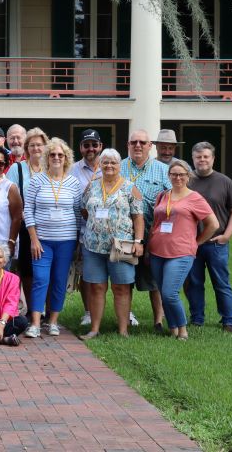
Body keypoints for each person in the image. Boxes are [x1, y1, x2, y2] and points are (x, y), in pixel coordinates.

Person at [148, 159, 218, 340]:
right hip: (157, 250)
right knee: (164, 293)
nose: (177, 177)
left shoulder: (195, 197)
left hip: (181, 252)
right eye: (173, 174)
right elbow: (156, 223)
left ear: (188, 176)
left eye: (181, 174)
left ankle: (183, 329)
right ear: (169, 176)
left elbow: (213, 224)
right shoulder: (163, 195)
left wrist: (198, 242)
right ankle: (172, 328)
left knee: (170, 293)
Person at [79, 149, 145, 338]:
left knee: (121, 287)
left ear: (119, 165)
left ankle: (123, 330)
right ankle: (94, 329)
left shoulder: (130, 187)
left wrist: (138, 241)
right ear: (100, 165)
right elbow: (84, 210)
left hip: (122, 244)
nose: (109, 166)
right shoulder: (92, 186)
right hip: (93, 246)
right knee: (96, 287)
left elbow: (138, 217)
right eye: (105, 162)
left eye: (113, 163)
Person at [23, 138, 82, 338]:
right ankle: (36, 323)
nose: (56, 158)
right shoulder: (36, 180)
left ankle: (54, 321)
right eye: (52, 154)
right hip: (42, 241)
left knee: (59, 281)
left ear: (66, 158)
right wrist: (34, 239)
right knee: (40, 279)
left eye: (60, 155)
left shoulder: (74, 183)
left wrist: (77, 241)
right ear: (47, 158)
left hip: (66, 241)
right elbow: (28, 210)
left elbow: (77, 213)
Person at [186, 142, 232, 331]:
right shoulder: (187, 180)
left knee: (221, 282)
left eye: (206, 156)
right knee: (194, 282)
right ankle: (197, 318)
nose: (202, 160)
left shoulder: (224, 181)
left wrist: (226, 236)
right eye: (198, 157)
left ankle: (228, 320)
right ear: (192, 158)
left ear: (213, 158)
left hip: (216, 242)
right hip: (192, 242)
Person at [122, 128, 170, 332]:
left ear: (150, 146)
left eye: (142, 142)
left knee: (155, 279)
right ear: (128, 146)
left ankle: (158, 321)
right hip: (123, 234)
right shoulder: (119, 167)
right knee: (125, 278)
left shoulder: (162, 170)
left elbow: (171, 199)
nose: (138, 146)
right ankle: (125, 320)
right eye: (134, 142)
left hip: (153, 233)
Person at [6, 127, 48, 312]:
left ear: (45, 147)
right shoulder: (17, 169)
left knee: (46, 271)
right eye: (32, 145)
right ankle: (33, 310)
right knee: (28, 270)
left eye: (39, 145)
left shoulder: (52, 166)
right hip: (25, 226)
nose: (36, 148)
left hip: (49, 226)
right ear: (26, 148)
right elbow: (8, 195)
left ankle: (46, 309)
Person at [69, 128, 104, 327]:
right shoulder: (73, 170)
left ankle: (127, 311)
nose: (90, 148)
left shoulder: (110, 165)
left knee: (116, 276)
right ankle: (88, 312)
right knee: (87, 274)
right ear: (81, 148)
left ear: (100, 146)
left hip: (110, 231)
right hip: (84, 230)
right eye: (86, 145)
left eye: (94, 144)